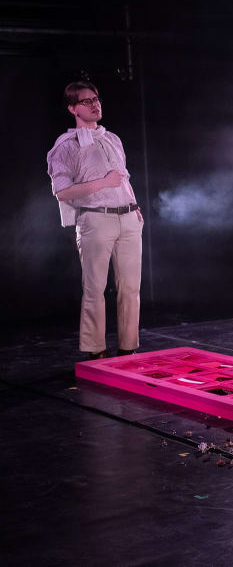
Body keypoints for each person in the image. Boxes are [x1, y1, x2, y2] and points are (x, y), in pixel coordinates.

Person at [46, 81, 144, 360]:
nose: (94, 104)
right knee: (95, 287)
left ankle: (128, 347)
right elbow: (62, 191)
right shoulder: (66, 145)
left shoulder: (112, 138)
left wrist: (136, 207)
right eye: (86, 101)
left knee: (130, 286)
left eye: (96, 99)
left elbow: (123, 176)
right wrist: (102, 183)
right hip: (95, 219)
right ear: (73, 108)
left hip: (127, 217)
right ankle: (95, 350)